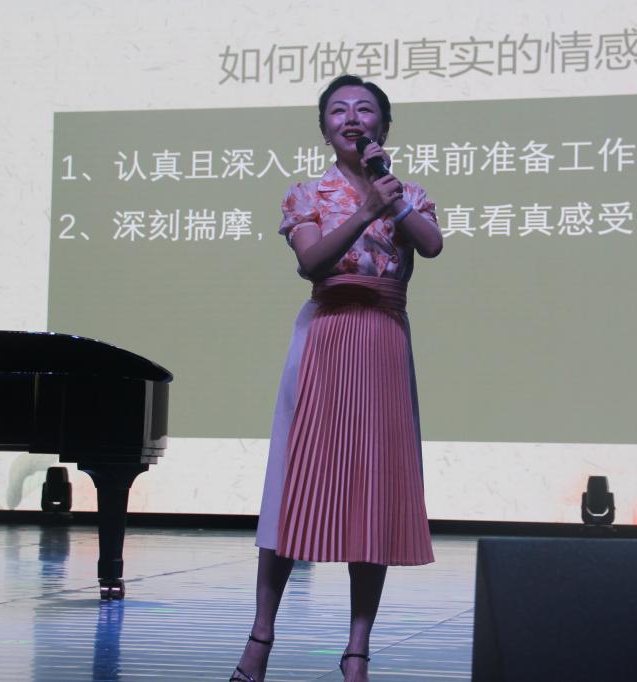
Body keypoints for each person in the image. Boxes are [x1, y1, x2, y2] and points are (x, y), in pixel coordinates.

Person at [230, 74, 443, 682]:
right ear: (324, 129)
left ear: (384, 127)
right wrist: (366, 212)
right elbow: (311, 262)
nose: (352, 118)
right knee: (295, 485)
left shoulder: (407, 193)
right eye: (339, 111)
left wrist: (391, 200)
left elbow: (431, 246)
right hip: (325, 336)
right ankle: (260, 638)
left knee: (374, 492)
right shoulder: (306, 194)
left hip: (383, 340)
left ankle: (357, 650)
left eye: (365, 110)